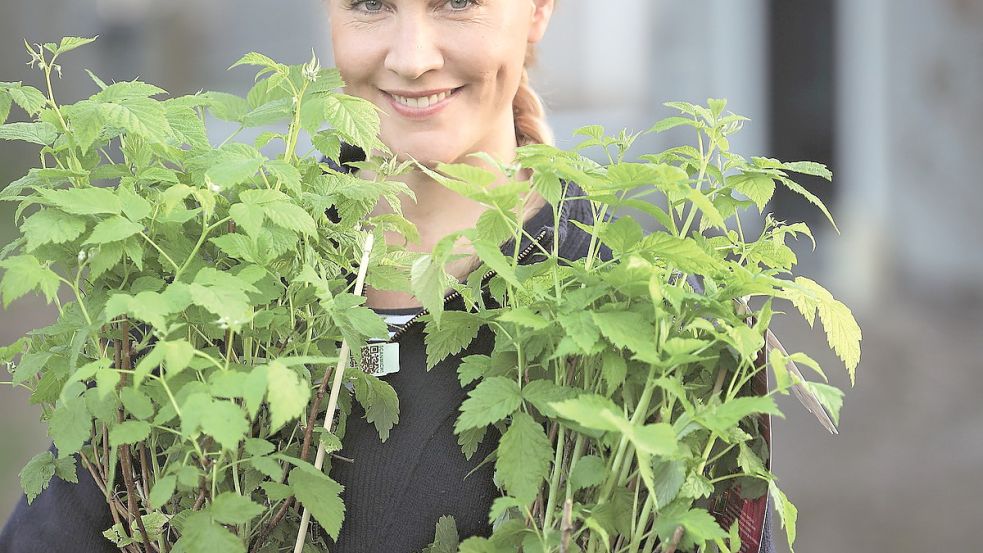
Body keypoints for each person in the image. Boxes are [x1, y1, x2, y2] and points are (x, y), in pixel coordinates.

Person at [1, 1, 776, 551]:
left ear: (539, 10)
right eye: (371, 3)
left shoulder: (656, 328)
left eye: (456, 3)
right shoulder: (203, 293)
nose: (411, 57)